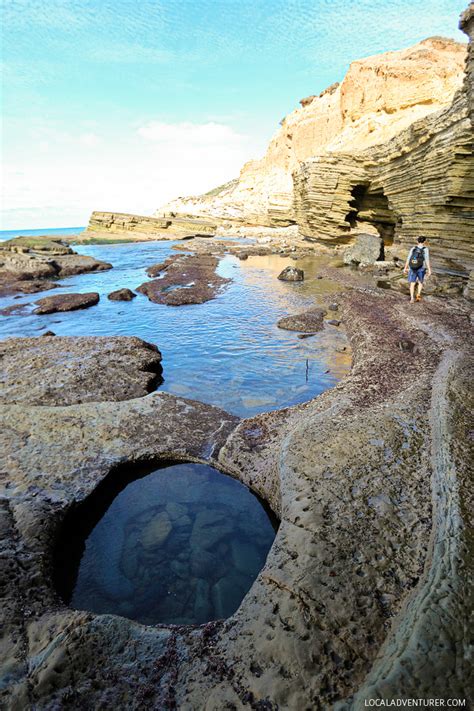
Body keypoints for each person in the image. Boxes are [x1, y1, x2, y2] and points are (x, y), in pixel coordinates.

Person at [404, 236, 432, 303]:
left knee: (412, 283)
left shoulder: (413, 248)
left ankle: (411, 298)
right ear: (425, 242)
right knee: (420, 282)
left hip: (412, 268)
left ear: (417, 241)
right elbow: (427, 260)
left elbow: (408, 259)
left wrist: (405, 268)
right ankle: (418, 295)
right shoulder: (425, 249)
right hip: (422, 268)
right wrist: (429, 270)